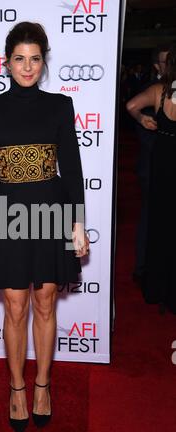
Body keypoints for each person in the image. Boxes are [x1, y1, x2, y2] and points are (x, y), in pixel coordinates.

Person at [0, 21, 89, 432]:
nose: (27, 66)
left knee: (44, 303)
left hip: (51, 211)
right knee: (15, 306)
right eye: (19, 58)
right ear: (6, 63)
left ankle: (43, 385)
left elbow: (72, 168)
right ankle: (17, 388)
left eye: (35, 58)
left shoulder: (59, 106)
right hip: (5, 214)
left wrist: (78, 223)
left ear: (43, 61)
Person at [126, 42, 176, 314]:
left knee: (160, 226)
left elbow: (132, 105)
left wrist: (143, 119)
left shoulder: (159, 91)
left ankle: (157, 286)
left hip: (163, 166)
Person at [131, 45, 169, 283]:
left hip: (167, 162)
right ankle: (143, 267)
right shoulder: (150, 89)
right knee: (149, 217)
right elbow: (137, 121)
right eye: (167, 62)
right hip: (153, 163)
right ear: (157, 65)